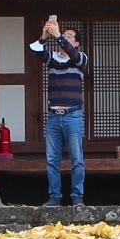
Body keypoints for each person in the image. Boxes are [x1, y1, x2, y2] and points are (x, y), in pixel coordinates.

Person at [29, 15, 87, 208]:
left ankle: (77, 196)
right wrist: (45, 36)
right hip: (54, 116)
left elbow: (74, 55)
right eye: (65, 35)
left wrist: (58, 35)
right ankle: (54, 196)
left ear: (76, 43)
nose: (66, 37)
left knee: (76, 159)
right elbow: (34, 49)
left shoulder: (80, 58)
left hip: (73, 115)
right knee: (52, 160)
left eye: (70, 36)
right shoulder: (52, 58)